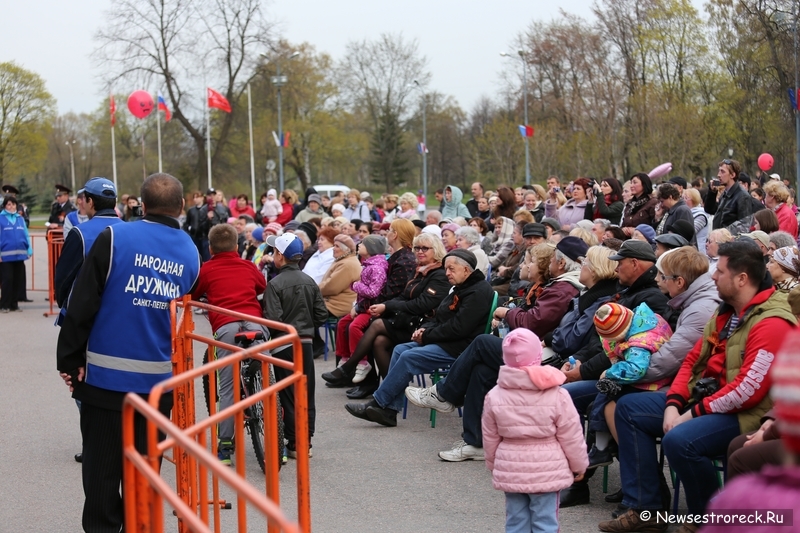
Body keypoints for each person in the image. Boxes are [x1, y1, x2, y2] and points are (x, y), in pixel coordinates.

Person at [600, 240, 796, 533]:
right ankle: (647, 509)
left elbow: (746, 391)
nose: (713, 276)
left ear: (742, 279)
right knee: (628, 408)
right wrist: (672, 405)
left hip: (749, 412)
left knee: (681, 440)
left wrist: (688, 415)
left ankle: (705, 519)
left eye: (721, 271)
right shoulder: (725, 311)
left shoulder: (772, 322)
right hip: (712, 399)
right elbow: (693, 362)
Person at [56, 173, 201, 533]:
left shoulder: (114, 236)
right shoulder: (190, 252)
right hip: (156, 383)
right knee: (145, 470)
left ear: (141, 203)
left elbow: (82, 303)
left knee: (102, 473)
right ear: (182, 206)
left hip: (104, 379)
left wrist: (69, 361)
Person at [405, 237, 588, 462]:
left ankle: (443, 394)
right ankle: (475, 442)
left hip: (544, 356)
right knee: (481, 371)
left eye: (528, 262)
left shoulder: (562, 287)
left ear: (560, 264)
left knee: (482, 342)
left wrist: (506, 313)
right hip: (531, 347)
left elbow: (534, 322)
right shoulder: (555, 285)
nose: (523, 265)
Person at [345, 249, 494, 427]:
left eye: (451, 269)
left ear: (466, 270)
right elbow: (440, 316)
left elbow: (459, 328)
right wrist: (424, 329)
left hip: (459, 347)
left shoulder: (478, 291)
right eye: (446, 269)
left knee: (409, 357)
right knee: (400, 349)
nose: (447, 273)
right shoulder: (461, 287)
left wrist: (427, 336)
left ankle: (379, 403)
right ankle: (390, 409)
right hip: (445, 340)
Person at [482, 329, 588, 533]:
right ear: (538, 356)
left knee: (515, 521)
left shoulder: (494, 395)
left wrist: (494, 462)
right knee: (545, 522)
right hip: (547, 468)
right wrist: (579, 464)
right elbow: (571, 434)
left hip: (511, 466)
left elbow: (490, 435)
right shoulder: (557, 393)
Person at [322, 232, 450, 396]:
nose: (420, 251)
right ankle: (389, 394)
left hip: (423, 326)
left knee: (374, 324)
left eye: (425, 248)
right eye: (417, 247)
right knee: (378, 341)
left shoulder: (439, 274)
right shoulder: (419, 270)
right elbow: (404, 296)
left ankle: (349, 367)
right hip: (409, 321)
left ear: (436, 250)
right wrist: (384, 305)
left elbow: (422, 304)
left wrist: (386, 306)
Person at [704, 337, 800, 532]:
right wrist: (771, 420)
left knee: (741, 458)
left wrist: (768, 433)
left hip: (788, 425)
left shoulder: (774, 322)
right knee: (738, 444)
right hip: (785, 420)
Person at [191, 223, 267, 465]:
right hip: (255, 324)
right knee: (268, 377)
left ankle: (225, 445)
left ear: (210, 249)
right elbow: (261, 287)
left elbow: (192, 295)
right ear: (236, 246)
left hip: (226, 327)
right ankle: (278, 441)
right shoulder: (248, 265)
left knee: (227, 385)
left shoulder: (206, 269)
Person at [263, 232, 328, 458]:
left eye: (274, 251)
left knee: (289, 395)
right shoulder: (309, 281)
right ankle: (306, 441)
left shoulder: (275, 284)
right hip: (306, 344)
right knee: (306, 393)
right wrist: (307, 325)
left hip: (283, 345)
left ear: (280, 255)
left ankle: (293, 443)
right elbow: (321, 314)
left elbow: (273, 320)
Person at [586, 302, 673, 469]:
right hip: (658, 378)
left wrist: (610, 373)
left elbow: (636, 369)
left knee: (603, 397)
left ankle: (601, 448)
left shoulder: (639, 344)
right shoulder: (647, 319)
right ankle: (606, 447)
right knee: (601, 400)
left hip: (652, 384)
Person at [55, 178, 124, 318]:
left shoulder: (79, 233)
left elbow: (64, 276)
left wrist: (65, 304)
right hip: (120, 310)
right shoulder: (130, 231)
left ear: (90, 202)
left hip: (85, 314)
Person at [339, 235, 389, 380]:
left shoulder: (377, 268)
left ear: (371, 248)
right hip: (362, 306)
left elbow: (374, 291)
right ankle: (345, 357)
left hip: (371, 308)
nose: (359, 245)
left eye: (363, 244)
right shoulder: (367, 264)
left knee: (354, 326)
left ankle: (362, 361)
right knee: (343, 323)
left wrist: (356, 285)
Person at [318, 234, 362, 318]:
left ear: (346, 250)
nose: (333, 249)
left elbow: (330, 287)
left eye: (337, 246)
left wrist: (312, 290)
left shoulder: (347, 264)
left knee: (302, 312)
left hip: (336, 306)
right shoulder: (344, 260)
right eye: (334, 245)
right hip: (330, 303)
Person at [0, 196, 31, 313]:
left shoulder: (20, 219)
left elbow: (26, 234)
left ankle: (14, 304)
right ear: (4, 206)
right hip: (6, 256)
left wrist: (29, 250)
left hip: (20, 255)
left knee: (17, 280)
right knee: (7, 280)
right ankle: (4, 304)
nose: (11, 207)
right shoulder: (1, 219)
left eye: (13, 204)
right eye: (9, 204)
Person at [705, 158, 754, 230]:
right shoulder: (725, 194)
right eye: (719, 171)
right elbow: (710, 210)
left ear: (732, 175)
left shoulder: (742, 196)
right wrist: (712, 192)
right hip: (717, 239)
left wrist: (724, 234)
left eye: (722, 172)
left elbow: (745, 225)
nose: (718, 175)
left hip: (729, 240)